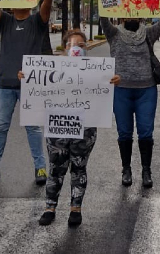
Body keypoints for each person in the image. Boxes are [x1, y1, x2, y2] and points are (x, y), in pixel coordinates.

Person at [33, 30, 121, 227]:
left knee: (79, 166)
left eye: (82, 46)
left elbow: (104, 92)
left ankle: (75, 209)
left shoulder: (97, 70)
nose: (77, 49)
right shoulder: (50, 68)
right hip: (58, 125)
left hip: (85, 126)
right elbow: (37, 86)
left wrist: (114, 81)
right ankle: (50, 207)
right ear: (65, 47)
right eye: (73, 45)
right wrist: (28, 77)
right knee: (56, 167)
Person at [0, 0, 56, 188]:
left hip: (30, 85)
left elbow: (48, 3)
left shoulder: (36, 22)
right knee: (0, 127)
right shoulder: (3, 19)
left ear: (32, 1)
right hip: (5, 84)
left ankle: (40, 167)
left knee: (33, 127)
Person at [98, 0, 160, 188]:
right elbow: (104, 20)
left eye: (135, 11)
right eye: (127, 11)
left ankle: (146, 170)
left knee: (146, 132)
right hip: (121, 91)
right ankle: (126, 169)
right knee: (124, 133)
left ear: (141, 13)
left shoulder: (149, 33)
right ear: (122, 14)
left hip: (146, 91)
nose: (131, 14)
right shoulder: (113, 34)